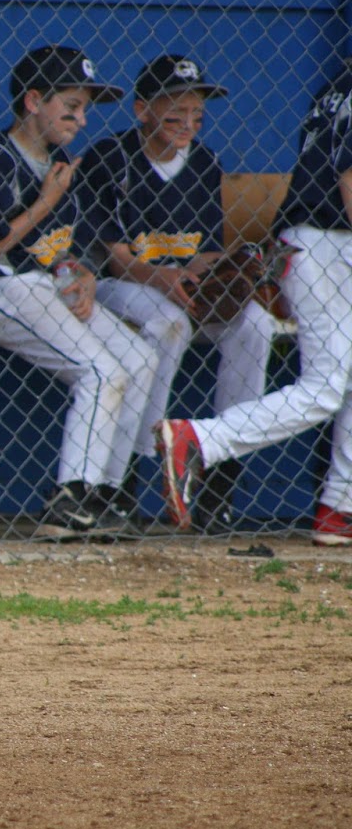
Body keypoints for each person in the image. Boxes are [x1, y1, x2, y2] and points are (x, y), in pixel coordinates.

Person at [0, 45, 158, 540]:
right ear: (33, 101)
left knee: (140, 359)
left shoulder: (60, 160)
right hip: (0, 289)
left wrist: (82, 274)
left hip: (47, 286)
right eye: (71, 106)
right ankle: (70, 498)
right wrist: (44, 201)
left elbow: (65, 247)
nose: (82, 119)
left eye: (85, 108)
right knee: (99, 370)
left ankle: (104, 494)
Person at [157, 57, 352, 545]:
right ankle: (200, 440)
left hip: (315, 241)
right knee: (326, 388)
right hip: (331, 242)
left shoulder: (338, 83)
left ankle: (339, 509)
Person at [78, 55, 275, 533]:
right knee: (169, 322)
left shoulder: (204, 161)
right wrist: (164, 278)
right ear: (142, 110)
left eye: (197, 116)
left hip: (181, 286)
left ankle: (221, 477)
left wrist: (231, 269)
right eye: (173, 116)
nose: (188, 125)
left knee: (256, 325)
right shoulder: (110, 157)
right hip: (120, 286)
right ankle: (132, 476)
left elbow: (204, 251)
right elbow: (114, 256)